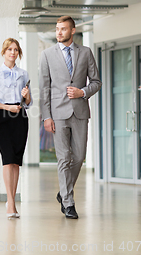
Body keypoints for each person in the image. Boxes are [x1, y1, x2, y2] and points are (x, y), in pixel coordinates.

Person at [39, 16, 101, 219]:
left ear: (72, 31)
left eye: (63, 29)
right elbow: (44, 88)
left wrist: (82, 92)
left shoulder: (86, 52)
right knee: (64, 157)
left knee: (80, 156)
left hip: (80, 111)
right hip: (57, 113)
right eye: (57, 29)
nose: (59, 32)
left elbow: (96, 81)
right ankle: (68, 202)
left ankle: (63, 191)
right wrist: (46, 116)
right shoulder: (47, 54)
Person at [0, 38, 31, 219]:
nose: (13, 53)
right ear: (3, 52)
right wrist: (8, 108)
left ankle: (11, 200)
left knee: (16, 160)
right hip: (2, 117)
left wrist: (27, 96)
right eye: (9, 49)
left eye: (15, 50)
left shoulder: (24, 74)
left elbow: (29, 103)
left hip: (20, 117)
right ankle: (11, 203)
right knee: (7, 158)